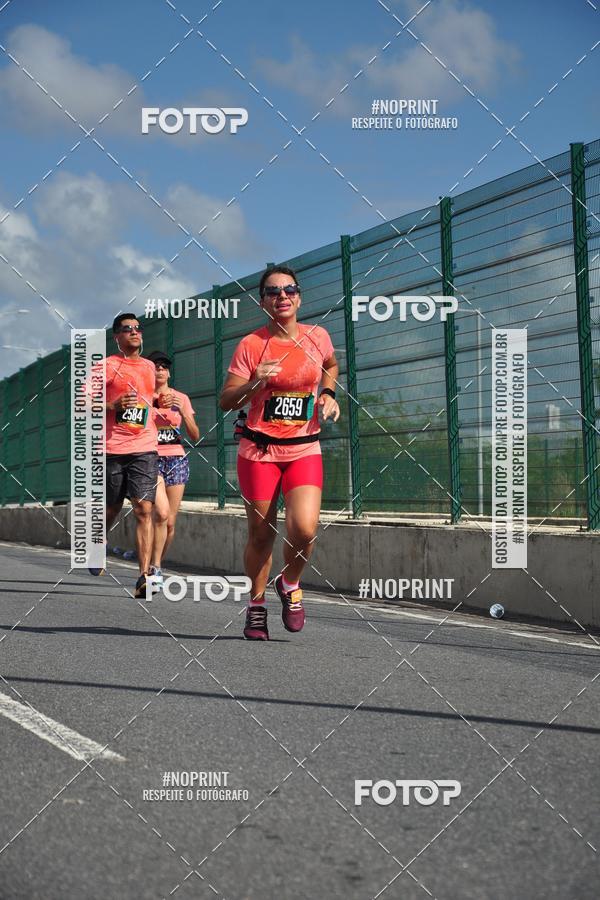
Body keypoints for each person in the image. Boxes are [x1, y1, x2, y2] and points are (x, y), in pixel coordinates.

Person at [219, 265, 340, 640]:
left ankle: (289, 583)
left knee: (304, 530)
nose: (282, 296)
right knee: (260, 534)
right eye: (273, 292)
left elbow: (331, 365)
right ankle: (256, 605)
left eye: (289, 289)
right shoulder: (251, 345)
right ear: (263, 302)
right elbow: (226, 401)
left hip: (304, 448)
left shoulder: (318, 337)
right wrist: (256, 381)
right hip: (259, 451)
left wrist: (328, 393)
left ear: (299, 297)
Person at [89, 313, 166, 598]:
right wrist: (113, 404)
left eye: (137, 328)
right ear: (116, 337)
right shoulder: (106, 366)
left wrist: (161, 400)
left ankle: (144, 576)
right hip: (112, 449)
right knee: (111, 508)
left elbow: (150, 399)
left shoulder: (148, 367)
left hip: (144, 446)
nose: (134, 332)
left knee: (144, 509)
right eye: (126, 329)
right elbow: (83, 402)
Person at [146, 350, 200, 587]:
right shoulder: (143, 396)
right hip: (150, 459)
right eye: (156, 367)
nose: (160, 371)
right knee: (161, 513)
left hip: (176, 459)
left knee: (170, 523)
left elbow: (195, 435)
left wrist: (183, 413)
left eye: (164, 367)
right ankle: (153, 568)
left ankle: (155, 564)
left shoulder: (181, 398)